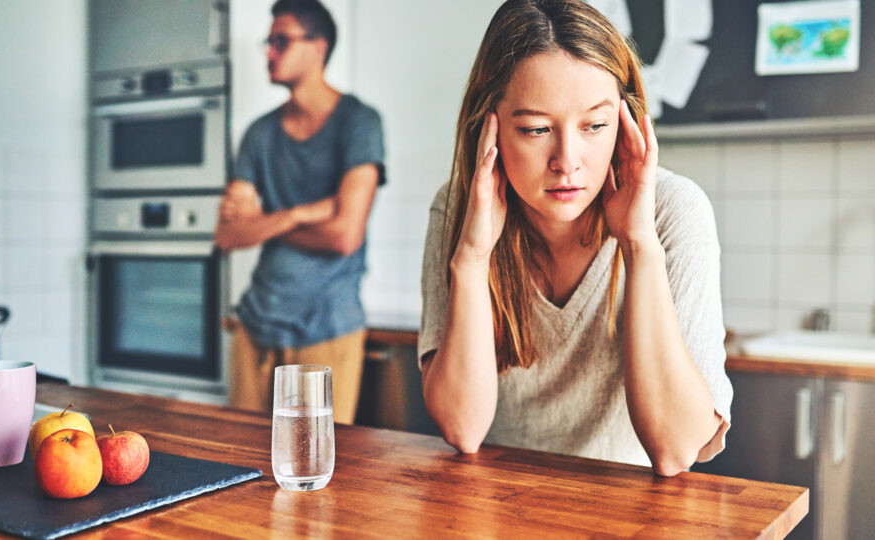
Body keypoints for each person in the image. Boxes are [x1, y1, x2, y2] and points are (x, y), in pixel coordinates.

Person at [418, 0, 732, 476]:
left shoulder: (674, 212)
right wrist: (473, 256)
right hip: (501, 506)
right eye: (536, 129)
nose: (567, 159)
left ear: (626, 123)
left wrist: (639, 243)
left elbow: (676, 449)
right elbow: (462, 428)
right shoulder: (459, 210)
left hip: (633, 514)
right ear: (490, 127)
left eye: (594, 126)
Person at [214, 0, 384, 425]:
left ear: (318, 46)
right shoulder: (259, 133)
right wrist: (299, 214)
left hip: (326, 329)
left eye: (281, 41)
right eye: (268, 42)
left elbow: (345, 235)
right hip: (255, 327)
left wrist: (263, 222)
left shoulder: (359, 123)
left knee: (313, 471)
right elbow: (227, 236)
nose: (269, 52)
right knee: (240, 471)